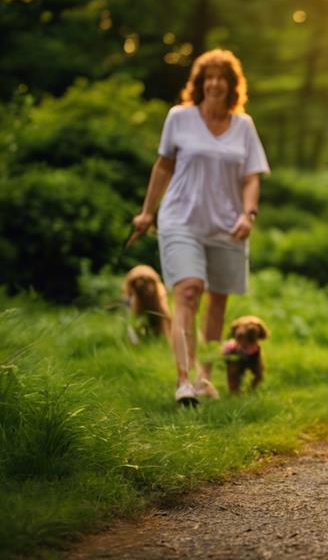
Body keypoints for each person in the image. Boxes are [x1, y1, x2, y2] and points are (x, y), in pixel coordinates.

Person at [129, 48, 269, 405]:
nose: (215, 83)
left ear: (232, 85)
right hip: (181, 219)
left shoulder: (244, 126)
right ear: (199, 83)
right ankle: (184, 380)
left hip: (227, 224)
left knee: (218, 302)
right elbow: (163, 166)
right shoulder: (179, 117)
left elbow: (251, 177)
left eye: (222, 78)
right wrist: (148, 212)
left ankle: (205, 377)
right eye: (209, 77)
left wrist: (247, 214)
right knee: (189, 291)